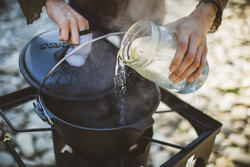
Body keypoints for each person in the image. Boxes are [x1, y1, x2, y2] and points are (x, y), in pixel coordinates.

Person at [17, 0, 227, 83]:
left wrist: (206, 12)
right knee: (80, 72)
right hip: (87, 9)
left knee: (141, 76)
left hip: (145, 13)